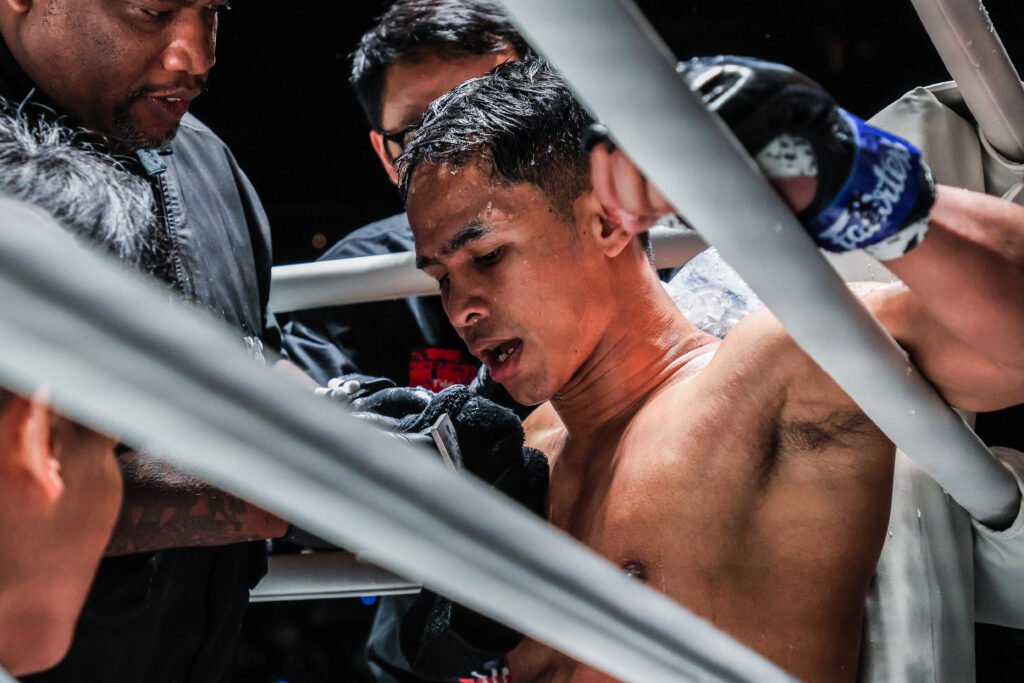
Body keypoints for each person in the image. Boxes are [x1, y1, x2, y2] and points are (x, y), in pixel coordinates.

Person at [396, 58, 1024, 681]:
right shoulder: (521, 457)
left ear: (608, 220)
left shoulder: (772, 373)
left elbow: (1009, 351)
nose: (461, 307)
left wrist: (850, 169)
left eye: (487, 254)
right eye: (442, 277)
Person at [0, 2, 288, 681]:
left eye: (215, 10)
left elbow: (260, 360)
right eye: (152, 9)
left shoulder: (208, 160)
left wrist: (357, 418)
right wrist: (302, 477)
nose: (198, 53)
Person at [283, 0, 528, 391]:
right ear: (386, 155)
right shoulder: (348, 286)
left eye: (494, 117)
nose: (465, 160)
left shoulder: (630, 248)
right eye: (422, 135)